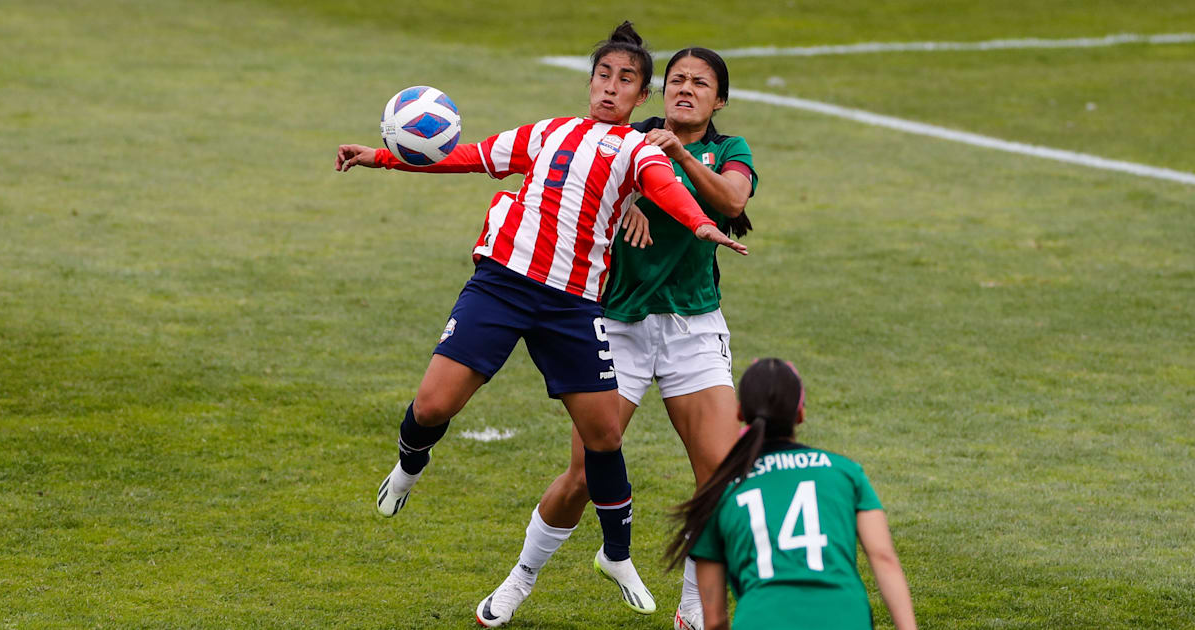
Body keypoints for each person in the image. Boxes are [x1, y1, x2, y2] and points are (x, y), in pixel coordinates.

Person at [333, 20, 746, 620]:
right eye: (603, 75)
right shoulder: (569, 134)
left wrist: (697, 220)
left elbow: (697, 192)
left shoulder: (668, 151)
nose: (611, 87)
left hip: (631, 317)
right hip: (560, 302)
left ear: (643, 96)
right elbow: (472, 157)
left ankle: (671, 593)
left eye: (627, 79)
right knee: (465, 421)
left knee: (666, 462)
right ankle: (472, 531)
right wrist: (383, 157)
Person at [475, 47, 757, 629]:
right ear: (658, 93)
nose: (686, 89)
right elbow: (587, 177)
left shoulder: (728, 151)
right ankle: (519, 580)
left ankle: (690, 612)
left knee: (719, 476)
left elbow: (731, 202)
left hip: (693, 328)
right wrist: (632, 195)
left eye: (700, 84)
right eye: (676, 79)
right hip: (618, 324)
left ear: (719, 100)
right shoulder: (627, 140)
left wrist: (678, 157)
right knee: (583, 473)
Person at [666, 359, 918, 630]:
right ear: (800, 415)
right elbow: (883, 557)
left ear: (740, 413)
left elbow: (714, 621)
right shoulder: (845, 473)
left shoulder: (719, 493)